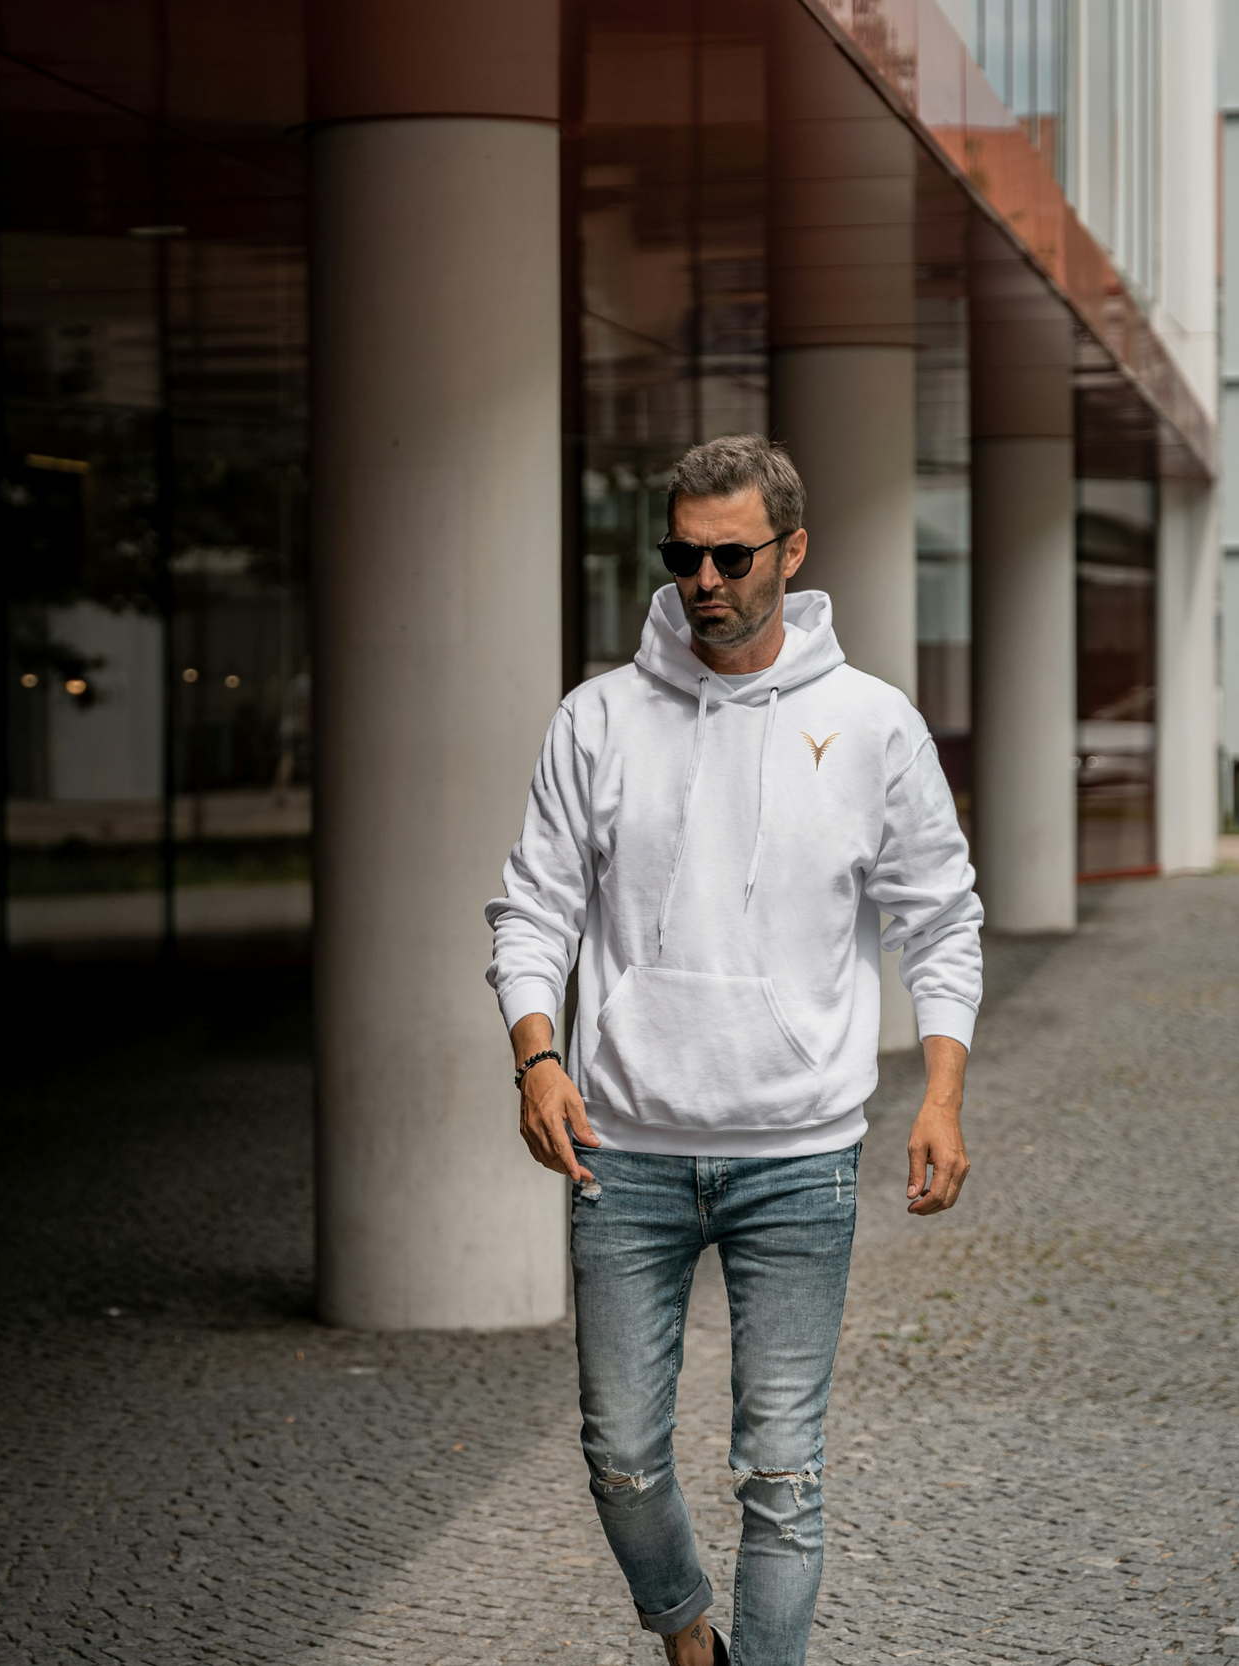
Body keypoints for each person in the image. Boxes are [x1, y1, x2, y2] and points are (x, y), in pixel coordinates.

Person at [484, 435, 984, 1665]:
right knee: (619, 1454)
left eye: (729, 555)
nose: (703, 580)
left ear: (790, 551)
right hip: (626, 1152)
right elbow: (532, 908)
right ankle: (687, 1635)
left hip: (799, 1159)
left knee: (784, 1473)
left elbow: (940, 914)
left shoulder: (871, 724)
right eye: (682, 555)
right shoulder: (596, 718)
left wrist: (941, 1094)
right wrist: (537, 1056)